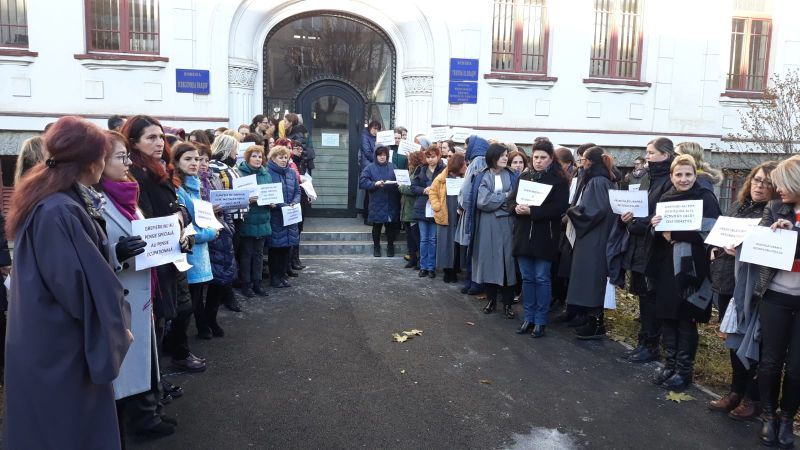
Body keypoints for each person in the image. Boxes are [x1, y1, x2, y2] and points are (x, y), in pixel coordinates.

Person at [4, 116, 132, 449]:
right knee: (68, 429)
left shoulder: (50, 199)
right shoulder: (60, 209)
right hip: (63, 345)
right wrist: (117, 329)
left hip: (44, 336)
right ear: (91, 161)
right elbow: (81, 289)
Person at [98, 131, 174, 439]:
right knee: (125, 369)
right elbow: (84, 255)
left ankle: (146, 415)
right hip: (121, 293)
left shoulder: (127, 194)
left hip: (142, 289)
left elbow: (144, 233)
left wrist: (173, 241)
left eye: (127, 156)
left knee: (144, 359)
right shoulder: (93, 201)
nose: (128, 163)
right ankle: (134, 423)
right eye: (121, 157)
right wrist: (116, 253)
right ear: (99, 162)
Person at [123, 115, 205, 373]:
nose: (160, 142)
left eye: (160, 136)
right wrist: (174, 221)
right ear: (133, 142)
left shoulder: (160, 168)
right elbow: (144, 217)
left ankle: (175, 356)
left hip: (172, 250)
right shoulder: (134, 174)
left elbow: (177, 205)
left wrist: (181, 215)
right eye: (151, 137)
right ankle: (155, 376)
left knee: (181, 307)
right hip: (155, 253)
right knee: (157, 316)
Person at [707, 161, 778, 420]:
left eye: (767, 183)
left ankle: (752, 397)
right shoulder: (738, 206)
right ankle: (736, 391)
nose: (760, 186)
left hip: (753, 288)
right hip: (727, 282)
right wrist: (714, 249)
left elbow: (771, 252)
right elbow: (718, 236)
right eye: (757, 180)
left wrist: (742, 250)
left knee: (754, 343)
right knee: (734, 341)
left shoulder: (774, 213)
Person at [650, 154, 721, 391]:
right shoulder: (666, 197)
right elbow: (659, 234)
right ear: (671, 176)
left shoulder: (705, 197)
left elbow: (710, 232)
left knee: (686, 318)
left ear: (695, 175)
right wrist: (655, 225)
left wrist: (676, 234)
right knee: (667, 315)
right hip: (666, 265)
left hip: (693, 268)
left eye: (688, 174)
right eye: (678, 174)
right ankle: (670, 364)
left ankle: (684, 371)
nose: (683, 179)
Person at [748, 155, 800, 448]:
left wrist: (795, 233)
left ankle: (787, 417)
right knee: (770, 361)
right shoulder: (775, 207)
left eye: (782, 184)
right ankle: (769, 416)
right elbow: (760, 245)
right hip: (776, 294)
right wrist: (773, 233)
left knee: (796, 367)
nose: (776, 189)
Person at [619, 137, 675, 363]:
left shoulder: (669, 180)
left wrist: (637, 223)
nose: (647, 156)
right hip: (640, 245)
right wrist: (628, 217)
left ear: (665, 154)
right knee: (643, 297)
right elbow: (640, 206)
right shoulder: (648, 177)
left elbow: (659, 215)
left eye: (651, 152)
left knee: (651, 298)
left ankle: (651, 345)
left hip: (654, 247)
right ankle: (644, 342)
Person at [509, 139, 570, 337]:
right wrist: (516, 208)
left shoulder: (558, 180)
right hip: (523, 236)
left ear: (551, 158)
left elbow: (560, 208)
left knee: (542, 278)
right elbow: (511, 200)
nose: (538, 161)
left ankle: (541, 320)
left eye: (543, 157)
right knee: (527, 278)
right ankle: (528, 317)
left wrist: (533, 212)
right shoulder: (524, 176)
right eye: (535, 157)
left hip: (545, 237)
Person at [564, 146, 616, 339]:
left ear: (590, 162)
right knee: (593, 278)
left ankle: (595, 323)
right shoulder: (605, 180)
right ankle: (590, 319)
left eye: (583, 160)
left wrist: (571, 212)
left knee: (592, 278)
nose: (581, 163)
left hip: (593, 238)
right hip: (598, 235)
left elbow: (594, 210)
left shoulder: (596, 182)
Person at [173, 142, 219, 343]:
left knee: (195, 298)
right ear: (176, 162)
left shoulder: (195, 185)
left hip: (200, 252)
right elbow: (185, 229)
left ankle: (184, 341)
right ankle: (178, 346)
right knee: (186, 304)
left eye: (197, 159)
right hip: (189, 252)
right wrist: (211, 233)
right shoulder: (178, 189)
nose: (195, 163)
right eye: (188, 159)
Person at [473, 143, 517, 319]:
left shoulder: (512, 175)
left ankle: (507, 303)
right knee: (489, 262)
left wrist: (499, 200)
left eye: (506, 155)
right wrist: (504, 196)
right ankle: (491, 300)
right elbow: (483, 202)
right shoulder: (483, 175)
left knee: (508, 264)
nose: (506, 158)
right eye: (502, 155)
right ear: (493, 157)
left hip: (508, 223)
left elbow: (514, 199)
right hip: (488, 224)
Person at [209, 134, 246, 311]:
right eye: (235, 149)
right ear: (227, 149)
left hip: (236, 216)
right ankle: (226, 295)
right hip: (225, 217)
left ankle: (225, 293)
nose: (237, 153)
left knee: (231, 255)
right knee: (225, 258)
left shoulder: (230, 167)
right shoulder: (214, 167)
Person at [456, 135, 490, 296]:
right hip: (476, 209)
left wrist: (462, 205)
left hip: (471, 211)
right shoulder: (482, 160)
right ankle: (473, 281)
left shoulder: (477, 161)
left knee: (472, 248)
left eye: (466, 147)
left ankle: (474, 282)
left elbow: (467, 189)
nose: (465, 150)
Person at [236, 145, 272, 297]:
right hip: (247, 219)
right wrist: (247, 200)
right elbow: (236, 197)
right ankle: (246, 284)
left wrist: (272, 202)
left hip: (263, 219)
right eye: (254, 156)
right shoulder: (239, 174)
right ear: (247, 157)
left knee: (258, 255)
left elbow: (271, 193)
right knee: (246, 254)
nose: (258, 159)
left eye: (260, 156)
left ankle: (257, 283)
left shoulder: (266, 174)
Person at [266, 145, 301, 288]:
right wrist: (283, 205)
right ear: (273, 158)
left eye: (286, 157)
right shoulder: (267, 173)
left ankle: (282, 275)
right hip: (276, 216)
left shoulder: (291, 173)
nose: (284, 160)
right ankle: (274, 277)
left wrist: (294, 203)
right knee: (275, 249)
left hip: (290, 215)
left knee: (287, 247)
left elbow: (298, 191)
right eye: (280, 157)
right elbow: (268, 194)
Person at [430, 153, 466, 283]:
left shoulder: (465, 178)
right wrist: (437, 206)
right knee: (445, 243)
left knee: (457, 244)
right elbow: (432, 192)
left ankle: (455, 270)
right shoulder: (442, 177)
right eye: (463, 164)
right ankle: (447, 271)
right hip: (446, 213)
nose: (465, 166)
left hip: (460, 214)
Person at [359, 146, 401, 257]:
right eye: (379, 155)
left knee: (390, 226)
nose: (382, 157)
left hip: (391, 201)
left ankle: (390, 247)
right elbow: (362, 182)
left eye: (384, 155)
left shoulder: (393, 166)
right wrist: (374, 184)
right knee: (377, 226)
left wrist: (398, 183)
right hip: (376, 202)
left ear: (387, 156)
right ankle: (376, 247)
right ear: (376, 156)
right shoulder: (370, 167)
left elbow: (400, 179)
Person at [412, 146, 446, 277]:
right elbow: (413, 187)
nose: (430, 159)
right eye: (428, 157)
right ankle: (423, 266)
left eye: (433, 157)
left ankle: (431, 267)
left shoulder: (443, 169)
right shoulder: (421, 168)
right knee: (424, 239)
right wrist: (423, 190)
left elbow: (446, 187)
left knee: (433, 239)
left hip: (436, 206)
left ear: (438, 156)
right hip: (422, 206)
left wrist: (434, 191)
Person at [399, 151, 423, 268]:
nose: (408, 161)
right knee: (409, 236)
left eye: (410, 159)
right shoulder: (411, 171)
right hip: (407, 209)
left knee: (416, 237)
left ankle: (420, 261)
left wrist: (401, 187)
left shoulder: (419, 171)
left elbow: (413, 189)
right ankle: (413, 259)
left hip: (413, 209)